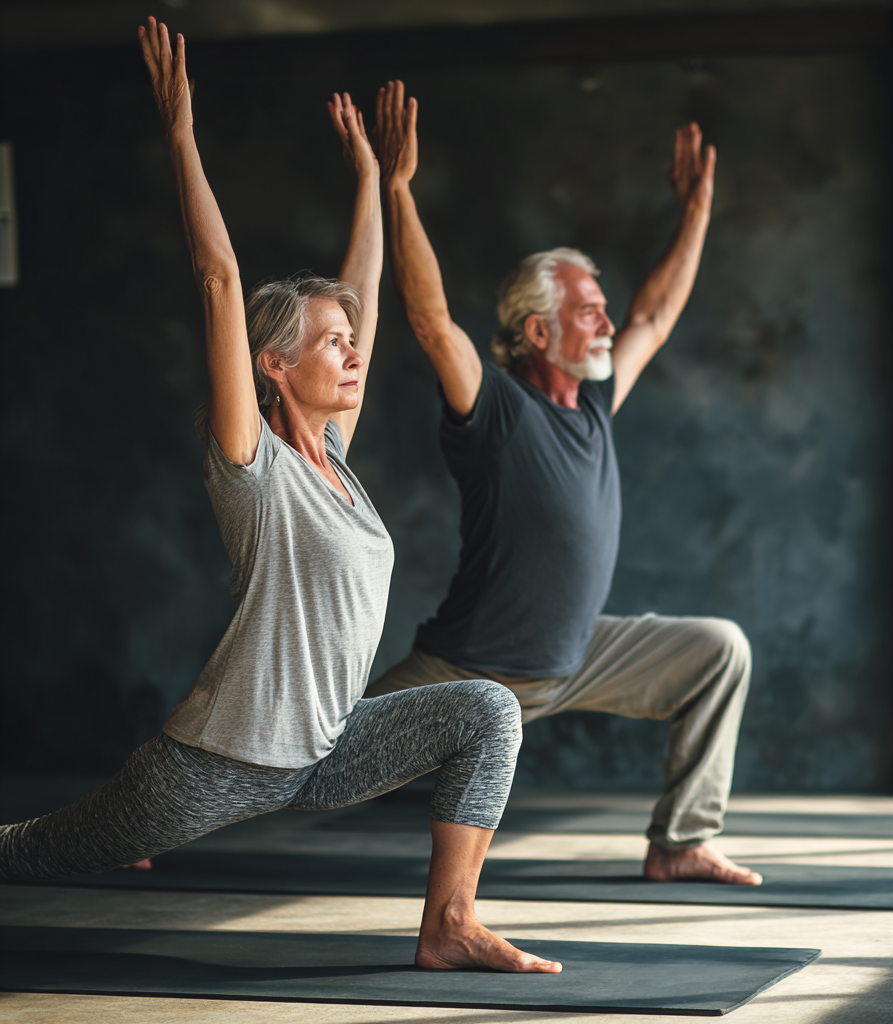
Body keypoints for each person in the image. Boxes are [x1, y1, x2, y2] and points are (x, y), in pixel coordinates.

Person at [0, 22, 562, 975]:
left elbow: (370, 300)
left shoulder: (336, 462)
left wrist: (375, 184)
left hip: (327, 747)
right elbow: (219, 280)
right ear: (272, 365)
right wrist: (180, 132)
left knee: (486, 714)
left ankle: (448, 925)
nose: (352, 354)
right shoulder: (251, 462)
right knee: (34, 853)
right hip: (219, 763)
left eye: (351, 342)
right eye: (330, 343)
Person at [367, 81, 761, 887]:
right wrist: (397, 189)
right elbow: (431, 320)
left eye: (603, 308)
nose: (609, 324)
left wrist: (695, 214)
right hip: (466, 672)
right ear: (538, 331)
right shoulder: (493, 406)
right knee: (306, 760)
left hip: (575, 655)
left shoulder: (596, 404)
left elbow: (653, 316)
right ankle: (153, 815)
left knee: (718, 651)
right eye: (589, 312)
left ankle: (680, 840)